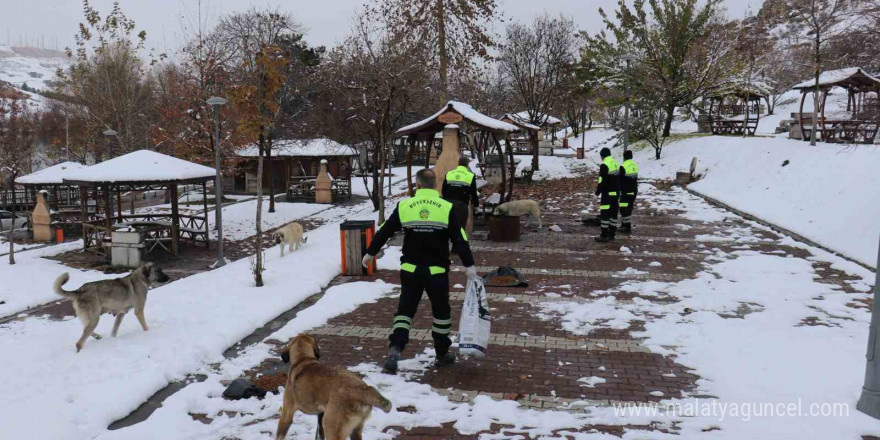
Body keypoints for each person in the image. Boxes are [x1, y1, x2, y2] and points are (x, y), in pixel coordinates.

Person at [362, 169, 478, 374]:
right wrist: (469, 266)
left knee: (405, 311)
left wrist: (370, 253)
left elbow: (386, 230)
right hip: (437, 272)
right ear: (435, 185)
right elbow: (460, 239)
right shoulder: (446, 207)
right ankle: (442, 353)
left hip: (410, 270)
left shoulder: (405, 206)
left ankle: (395, 348)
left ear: (417, 185)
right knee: (441, 314)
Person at [442, 156, 479, 233]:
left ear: (458, 164)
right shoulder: (470, 176)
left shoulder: (449, 173)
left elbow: (443, 190)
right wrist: (476, 204)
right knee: (460, 230)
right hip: (461, 206)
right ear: (467, 164)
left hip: (448, 205)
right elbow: (473, 192)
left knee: (448, 227)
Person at [594, 147, 620, 242]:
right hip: (615, 193)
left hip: (607, 194)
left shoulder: (604, 165)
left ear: (602, 156)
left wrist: (597, 192)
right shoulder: (615, 163)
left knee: (604, 215)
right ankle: (612, 234)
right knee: (613, 214)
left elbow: (602, 180)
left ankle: (604, 235)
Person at [618, 150, 639, 234]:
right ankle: (624, 225)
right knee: (629, 208)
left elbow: (620, 180)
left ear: (624, 157)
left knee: (623, 208)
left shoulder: (623, 166)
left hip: (626, 191)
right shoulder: (635, 165)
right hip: (633, 190)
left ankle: (627, 227)